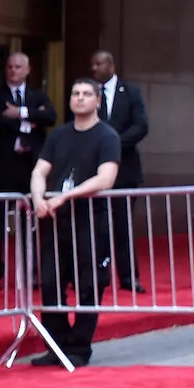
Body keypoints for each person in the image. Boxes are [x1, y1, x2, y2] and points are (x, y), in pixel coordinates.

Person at [30, 78, 120, 368]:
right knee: (50, 282)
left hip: (90, 220)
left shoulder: (107, 136)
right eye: (75, 93)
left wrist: (66, 196)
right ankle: (56, 346)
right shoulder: (59, 135)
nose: (79, 98)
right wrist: (37, 197)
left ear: (97, 101)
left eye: (86, 94)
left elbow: (105, 178)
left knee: (88, 285)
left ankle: (79, 348)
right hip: (57, 221)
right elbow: (40, 171)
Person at [0, 51, 55, 287]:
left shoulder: (37, 95)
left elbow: (50, 116)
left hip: (28, 168)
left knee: (29, 225)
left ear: (28, 70)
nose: (13, 71)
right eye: (10, 67)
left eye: (18, 67)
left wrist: (19, 112)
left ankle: (31, 274)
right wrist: (31, 120)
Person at [91, 49, 148, 293]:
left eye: (98, 63)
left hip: (125, 169)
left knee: (123, 225)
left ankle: (129, 277)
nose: (93, 68)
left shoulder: (131, 92)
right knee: (98, 225)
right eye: (91, 64)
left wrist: (113, 143)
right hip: (95, 170)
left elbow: (141, 126)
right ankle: (98, 275)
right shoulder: (89, 93)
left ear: (110, 66)